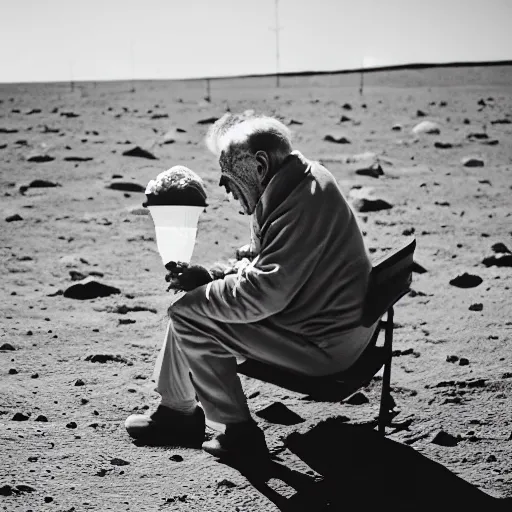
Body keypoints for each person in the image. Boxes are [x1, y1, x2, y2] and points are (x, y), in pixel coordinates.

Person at [125, 113, 379, 460]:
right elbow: (267, 264)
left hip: (324, 344)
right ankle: (175, 408)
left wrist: (207, 291)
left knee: (188, 313)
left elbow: (265, 292)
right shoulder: (300, 183)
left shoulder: (300, 204)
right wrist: (212, 277)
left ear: (259, 165)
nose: (223, 187)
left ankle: (236, 431)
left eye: (228, 176)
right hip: (332, 324)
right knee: (196, 304)